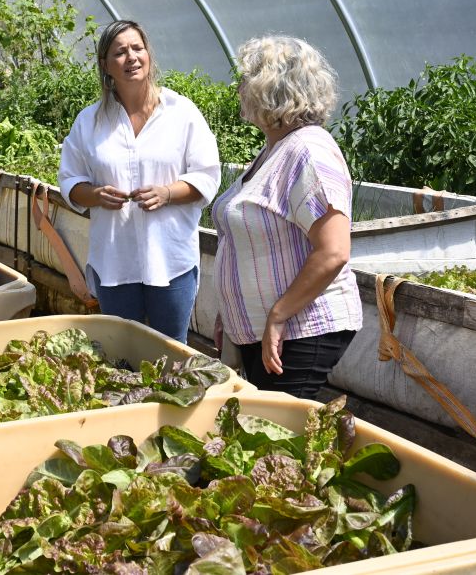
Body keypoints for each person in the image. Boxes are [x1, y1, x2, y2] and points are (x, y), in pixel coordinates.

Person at [212, 35, 362, 399]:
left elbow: (333, 251)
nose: (239, 89)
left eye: (246, 79)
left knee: (279, 439)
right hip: (271, 330)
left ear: (272, 88)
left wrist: (278, 315)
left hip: (301, 330)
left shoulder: (308, 150)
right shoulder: (276, 149)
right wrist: (230, 312)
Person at [58, 20, 220, 343]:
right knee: (121, 353)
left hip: (170, 261)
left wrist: (167, 193)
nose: (131, 57)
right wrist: (96, 195)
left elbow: (207, 175)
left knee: (171, 352)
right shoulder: (90, 122)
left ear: (148, 55)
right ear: (105, 65)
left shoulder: (181, 113)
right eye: (120, 52)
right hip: (114, 260)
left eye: (137, 48)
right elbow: (70, 180)